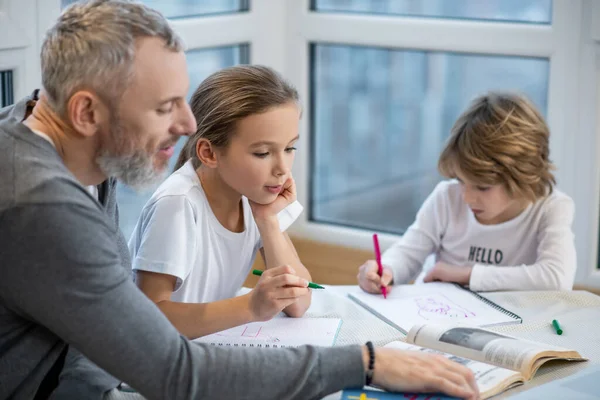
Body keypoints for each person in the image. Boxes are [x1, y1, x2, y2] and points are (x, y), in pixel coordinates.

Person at [0, 1, 479, 399]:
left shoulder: (64, 148)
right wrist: (366, 362)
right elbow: (174, 371)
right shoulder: (42, 206)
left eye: (182, 100)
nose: (189, 125)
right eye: (164, 107)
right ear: (86, 111)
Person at [129, 65, 312, 340]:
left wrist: (268, 221)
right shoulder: (178, 204)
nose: (282, 169)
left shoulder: (252, 196)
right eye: (262, 153)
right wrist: (250, 306)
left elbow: (298, 303)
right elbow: (148, 320)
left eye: (289, 149)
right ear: (209, 153)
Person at [358, 92, 576, 293]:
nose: (467, 197)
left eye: (483, 186)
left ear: (523, 174)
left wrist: (466, 274)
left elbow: (557, 278)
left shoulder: (551, 208)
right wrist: (385, 269)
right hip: (438, 319)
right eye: (461, 181)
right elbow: (408, 253)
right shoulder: (447, 197)